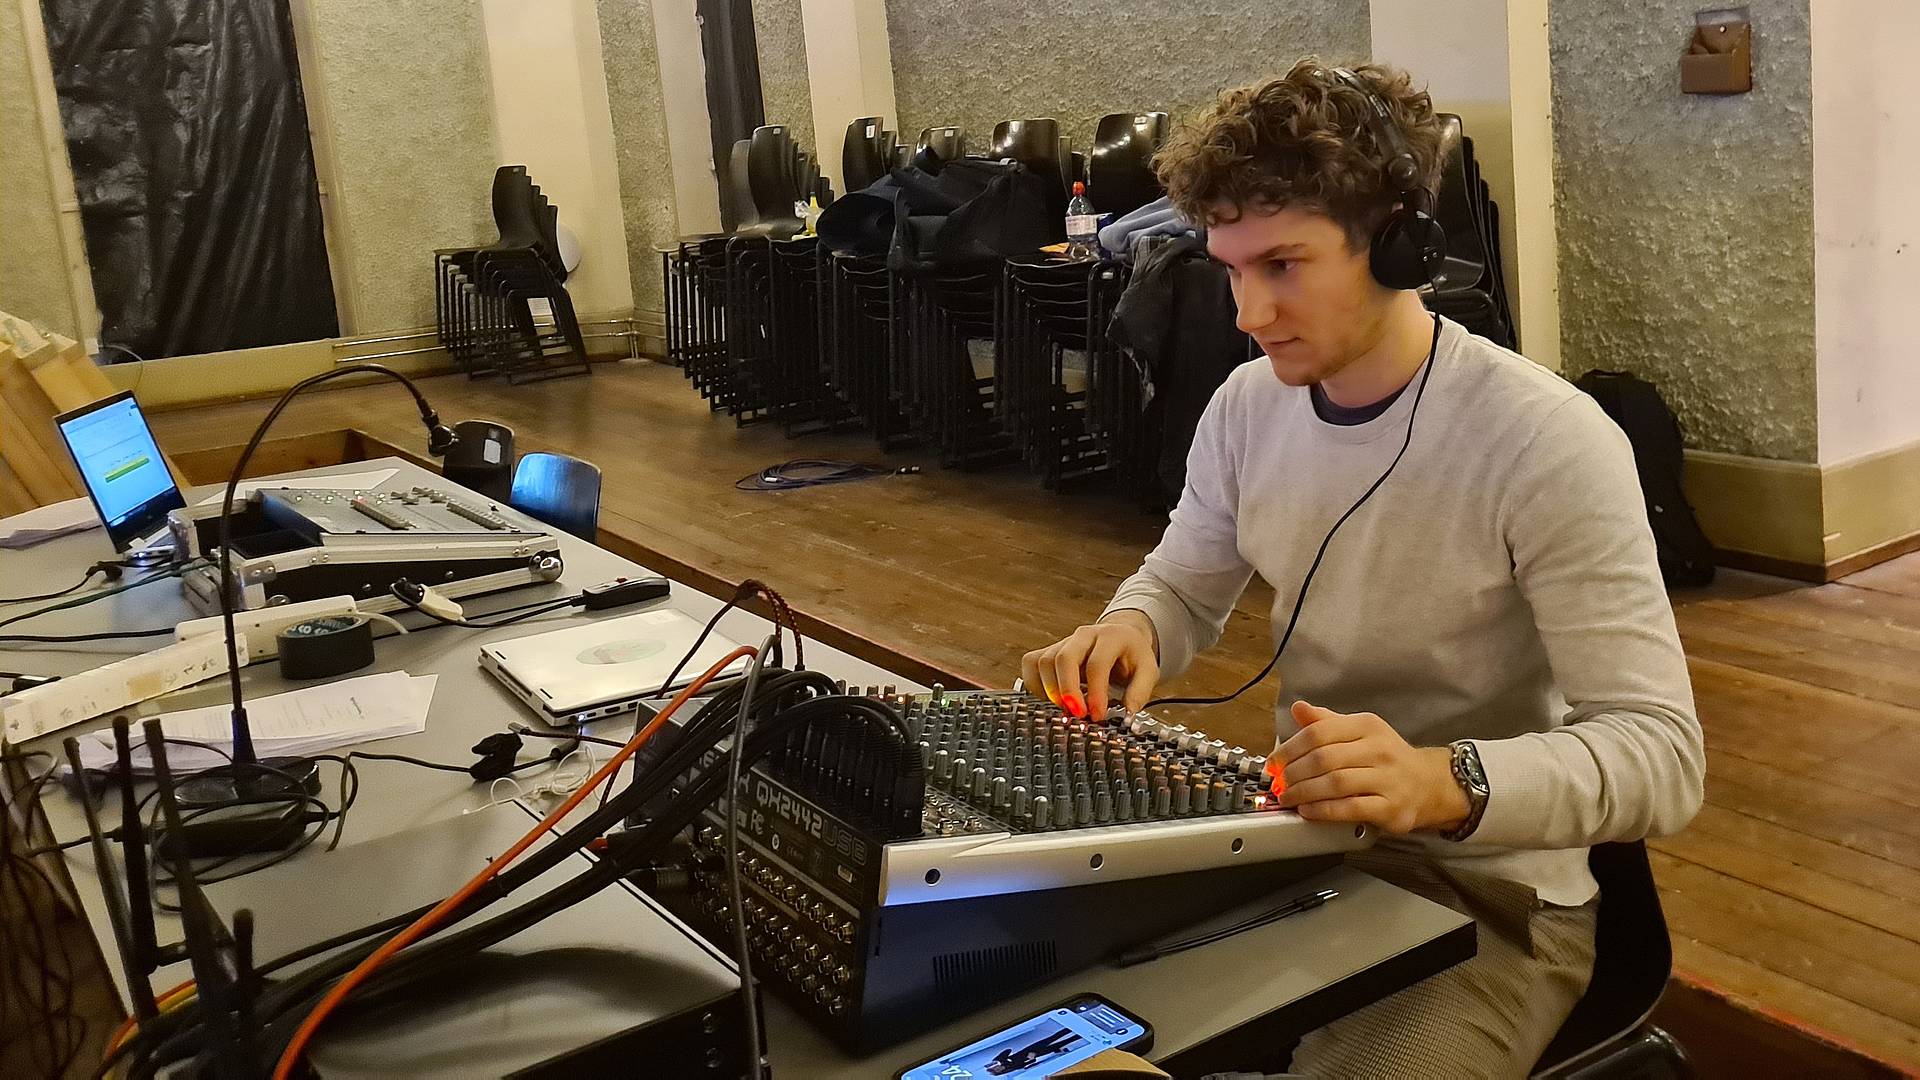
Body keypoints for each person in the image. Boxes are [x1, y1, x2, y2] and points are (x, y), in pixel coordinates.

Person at [1019, 59, 1703, 1079]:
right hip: (1297, 851)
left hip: (1490, 898)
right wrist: (1133, 629)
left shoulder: (1548, 441)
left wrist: (1441, 780)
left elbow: (1662, 757)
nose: (1248, 312)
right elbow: (1180, 586)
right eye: (1231, 269)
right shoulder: (1245, 408)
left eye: (1282, 265)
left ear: (1397, 243)